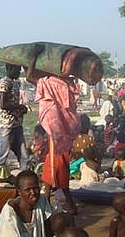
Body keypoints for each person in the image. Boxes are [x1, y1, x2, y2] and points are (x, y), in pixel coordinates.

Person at [26, 45, 81, 215]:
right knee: (58, 165)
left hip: (56, 131)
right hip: (66, 131)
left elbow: (29, 76)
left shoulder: (47, 82)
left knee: (54, 168)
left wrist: (33, 56)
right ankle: (64, 203)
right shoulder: (67, 82)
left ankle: (45, 207)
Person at [0, 63, 30, 176]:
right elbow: (2, 104)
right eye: (17, 70)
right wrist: (19, 107)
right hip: (7, 124)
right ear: (10, 69)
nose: (19, 72)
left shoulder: (15, 83)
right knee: (2, 154)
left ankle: (25, 177)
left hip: (16, 123)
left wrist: (20, 109)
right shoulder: (5, 82)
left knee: (23, 155)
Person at [0, 170, 53, 236]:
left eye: (35, 188)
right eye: (28, 190)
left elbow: (48, 226)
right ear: (19, 192)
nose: (33, 193)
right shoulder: (10, 214)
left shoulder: (41, 200)